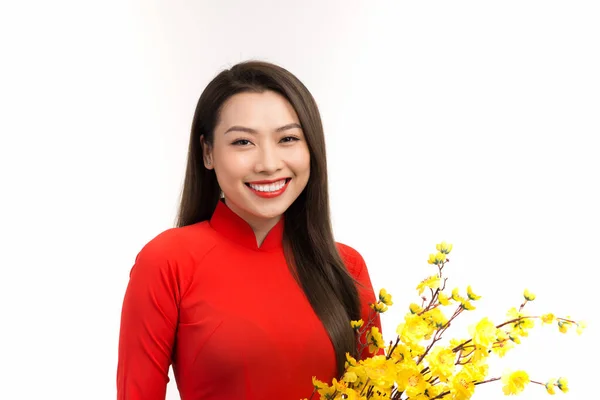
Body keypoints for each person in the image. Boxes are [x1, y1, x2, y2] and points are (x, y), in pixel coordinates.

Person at [116, 60, 382, 400]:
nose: (268, 164)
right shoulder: (167, 261)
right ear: (208, 153)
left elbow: (376, 388)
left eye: (287, 138)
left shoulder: (345, 266)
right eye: (243, 142)